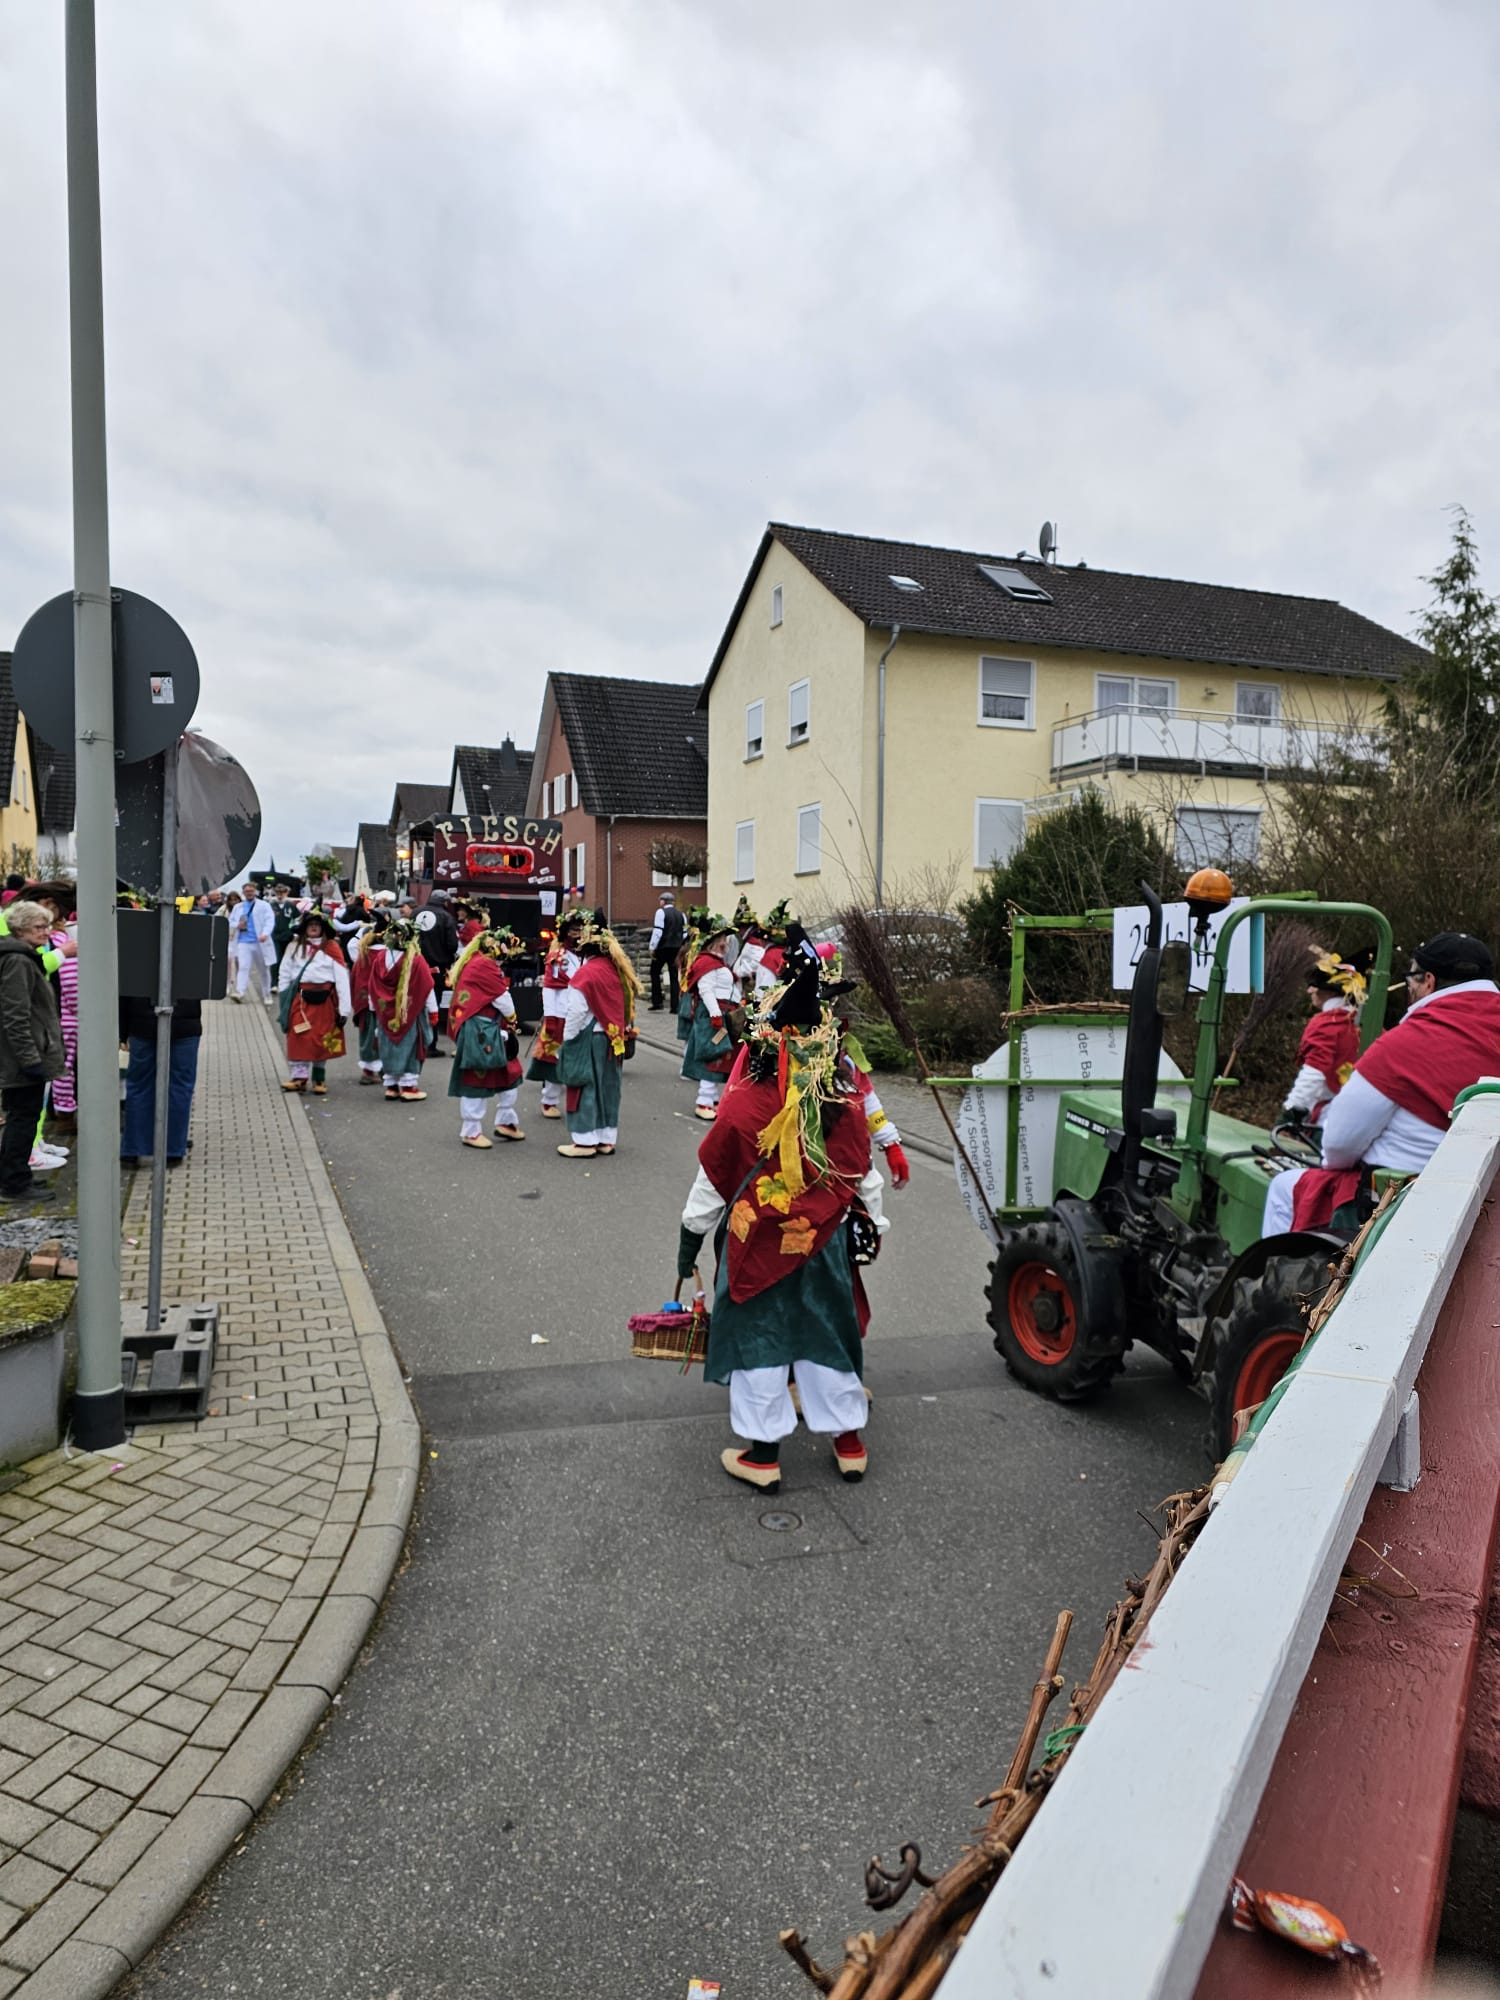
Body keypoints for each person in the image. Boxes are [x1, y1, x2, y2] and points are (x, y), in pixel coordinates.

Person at [675, 953, 888, 1492]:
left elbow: (712, 1181)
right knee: (827, 1335)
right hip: (825, 1244)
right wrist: (875, 1227)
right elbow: (863, 1176)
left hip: (757, 1244)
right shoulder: (842, 1099)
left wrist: (688, 1242)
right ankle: (849, 1446)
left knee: (760, 1342)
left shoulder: (744, 1103)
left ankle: (763, 1455)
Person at [1264, 931, 1500, 1233]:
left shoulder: (1404, 1044)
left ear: (1428, 981)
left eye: (1411, 978)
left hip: (1398, 1200)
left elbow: (1338, 1144)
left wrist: (1293, 1111)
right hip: (1484, 1201)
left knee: (1283, 1188)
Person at [555, 916, 638, 1158]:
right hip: (612, 1040)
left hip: (589, 1039)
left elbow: (576, 1012)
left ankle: (584, 1142)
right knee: (608, 1088)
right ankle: (605, 1138)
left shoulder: (585, 974)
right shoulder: (617, 972)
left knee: (583, 1087)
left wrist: (568, 1041)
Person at [0, 903, 66, 1206]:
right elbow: (15, 1015)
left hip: (23, 1054)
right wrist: (30, 1060)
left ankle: (14, 1176)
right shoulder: (18, 960)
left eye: (47, 925)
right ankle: (14, 1183)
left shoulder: (22, 957)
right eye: (39, 927)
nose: (46, 932)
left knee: (22, 1117)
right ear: (21, 929)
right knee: (23, 1118)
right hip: (22, 1058)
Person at [449, 928, 526, 1147]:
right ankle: (471, 1131)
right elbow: (503, 998)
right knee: (477, 1079)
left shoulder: (477, 962)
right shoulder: (484, 965)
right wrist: (513, 1020)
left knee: (509, 1072)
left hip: (490, 1028)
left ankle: (506, 1122)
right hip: (481, 1030)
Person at [1281, 948, 1365, 1129]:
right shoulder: (1372, 1027)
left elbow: (1314, 1074)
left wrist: (1291, 1111)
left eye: (1315, 985)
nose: (1309, 990)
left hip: (1329, 1120)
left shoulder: (1327, 1024)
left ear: (1331, 992)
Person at [119, 991, 202, 1166]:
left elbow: (125, 989)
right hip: (185, 1022)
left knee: (139, 1086)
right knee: (180, 1087)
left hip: (141, 1021)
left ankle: (134, 1148)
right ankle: (173, 1149)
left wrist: (123, 1031)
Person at [278, 911, 352, 1095]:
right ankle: (299, 1078)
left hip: (325, 1001)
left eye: (317, 925)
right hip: (301, 1000)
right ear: (304, 928)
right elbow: (285, 972)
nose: (313, 927)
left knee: (322, 1038)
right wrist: (284, 997)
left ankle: (319, 1079)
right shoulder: (294, 946)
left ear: (323, 928)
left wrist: (344, 1009)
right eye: (310, 924)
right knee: (298, 1037)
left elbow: (342, 979)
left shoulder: (332, 948)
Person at [367, 917, 437, 1101]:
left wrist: (374, 1008)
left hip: (385, 1014)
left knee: (388, 1046)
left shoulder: (380, 958)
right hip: (410, 1013)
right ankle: (408, 1086)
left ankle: (391, 1086)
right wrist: (433, 1011)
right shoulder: (415, 959)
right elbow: (426, 986)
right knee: (411, 1046)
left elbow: (372, 985)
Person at [526, 909, 584, 1118]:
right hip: (560, 1014)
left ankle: (577, 1100)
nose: (577, 934)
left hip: (582, 1015)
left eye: (581, 930)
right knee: (554, 1058)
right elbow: (550, 988)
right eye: (574, 930)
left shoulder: (588, 956)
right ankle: (549, 1100)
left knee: (579, 1059)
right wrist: (550, 1016)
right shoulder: (558, 957)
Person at [680, 917, 739, 1120]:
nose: (725, 943)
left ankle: (712, 1099)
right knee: (712, 1056)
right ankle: (704, 1101)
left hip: (722, 1014)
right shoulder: (707, 963)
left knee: (719, 1057)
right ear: (713, 941)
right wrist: (715, 1015)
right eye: (722, 939)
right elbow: (706, 990)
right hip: (714, 1016)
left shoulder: (716, 962)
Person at [348, 908, 388, 1084]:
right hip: (386, 1004)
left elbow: (355, 978)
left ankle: (369, 1070)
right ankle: (382, 1068)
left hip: (365, 1002)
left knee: (368, 1035)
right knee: (384, 1035)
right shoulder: (390, 955)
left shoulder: (363, 956)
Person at [228, 880, 276, 1004]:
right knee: (243, 967)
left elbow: (270, 920)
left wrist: (265, 933)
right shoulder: (238, 907)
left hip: (260, 941)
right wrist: (238, 925)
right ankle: (240, 992)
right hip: (243, 941)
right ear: (243, 892)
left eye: (251, 891)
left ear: (256, 892)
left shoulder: (264, 905)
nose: (249, 893)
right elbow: (231, 921)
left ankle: (266, 994)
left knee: (264, 969)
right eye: (246, 891)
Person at [648, 893, 686, 1012]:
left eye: (660, 900)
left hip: (663, 948)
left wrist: (652, 947)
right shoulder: (681, 914)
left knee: (654, 972)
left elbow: (658, 931)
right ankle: (675, 1006)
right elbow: (684, 933)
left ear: (663, 901)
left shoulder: (660, 912)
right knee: (674, 976)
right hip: (676, 948)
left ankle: (657, 1002)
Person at [269, 884, 299, 988]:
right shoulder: (271, 906)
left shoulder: (291, 906)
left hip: (287, 936)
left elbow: (297, 919)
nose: (280, 895)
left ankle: (285, 982)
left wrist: (295, 933)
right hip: (275, 936)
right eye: (278, 893)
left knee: (286, 960)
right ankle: (274, 983)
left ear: (286, 893)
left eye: (282, 893)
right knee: (276, 959)